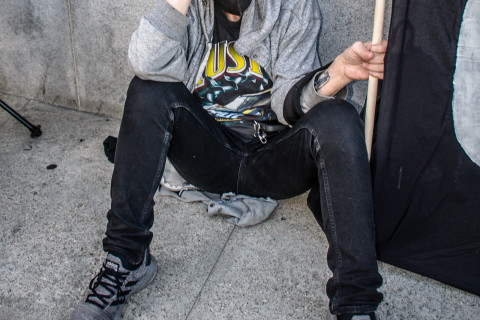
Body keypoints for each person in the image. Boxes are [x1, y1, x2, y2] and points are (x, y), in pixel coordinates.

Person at [71, 0, 388, 319]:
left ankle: (356, 303)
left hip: (272, 160)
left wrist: (334, 75)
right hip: (209, 155)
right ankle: (126, 262)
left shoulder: (294, 8)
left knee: (339, 116)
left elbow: (288, 104)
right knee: (147, 90)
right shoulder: (189, 9)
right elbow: (147, 64)